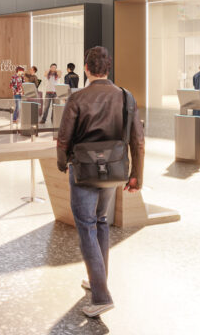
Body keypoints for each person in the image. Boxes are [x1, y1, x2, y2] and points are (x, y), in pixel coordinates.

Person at [56, 46, 145, 318]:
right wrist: (137, 175)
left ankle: (102, 296)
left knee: (86, 226)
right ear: (108, 68)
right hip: (113, 170)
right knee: (101, 221)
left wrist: (62, 162)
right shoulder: (126, 96)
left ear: (86, 68)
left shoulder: (77, 98)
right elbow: (138, 140)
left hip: (84, 170)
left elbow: (63, 139)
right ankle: (98, 280)